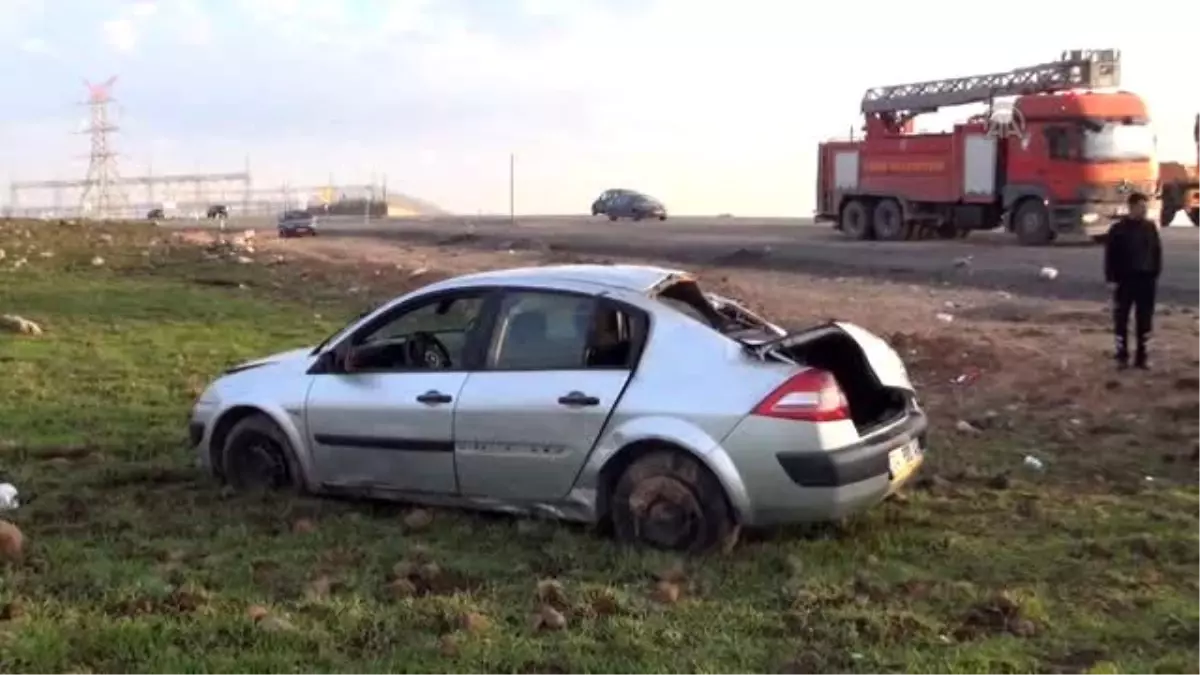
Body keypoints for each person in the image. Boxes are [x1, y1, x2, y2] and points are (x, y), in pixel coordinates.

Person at [1103, 192, 1162, 370]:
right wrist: (1111, 279)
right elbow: (1109, 256)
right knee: (1121, 319)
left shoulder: (1150, 228)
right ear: (1132, 207)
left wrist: (1155, 273)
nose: (1144, 211)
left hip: (1146, 281)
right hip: (1124, 280)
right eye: (1141, 207)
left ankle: (1142, 357)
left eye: (1146, 207)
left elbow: (1157, 252)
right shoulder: (1118, 230)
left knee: (1144, 320)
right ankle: (1122, 356)